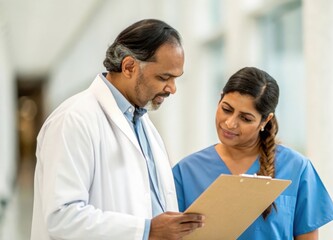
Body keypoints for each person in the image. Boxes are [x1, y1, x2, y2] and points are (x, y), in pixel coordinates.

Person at [31, 19, 204, 240]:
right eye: (164, 77)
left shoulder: (143, 124)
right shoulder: (73, 119)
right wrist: (146, 230)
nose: (172, 88)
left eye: (175, 78)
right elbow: (61, 217)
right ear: (129, 67)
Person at [173, 67, 333, 240]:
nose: (230, 123)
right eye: (227, 109)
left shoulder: (297, 168)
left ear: (265, 120)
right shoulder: (186, 172)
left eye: (245, 118)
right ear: (219, 99)